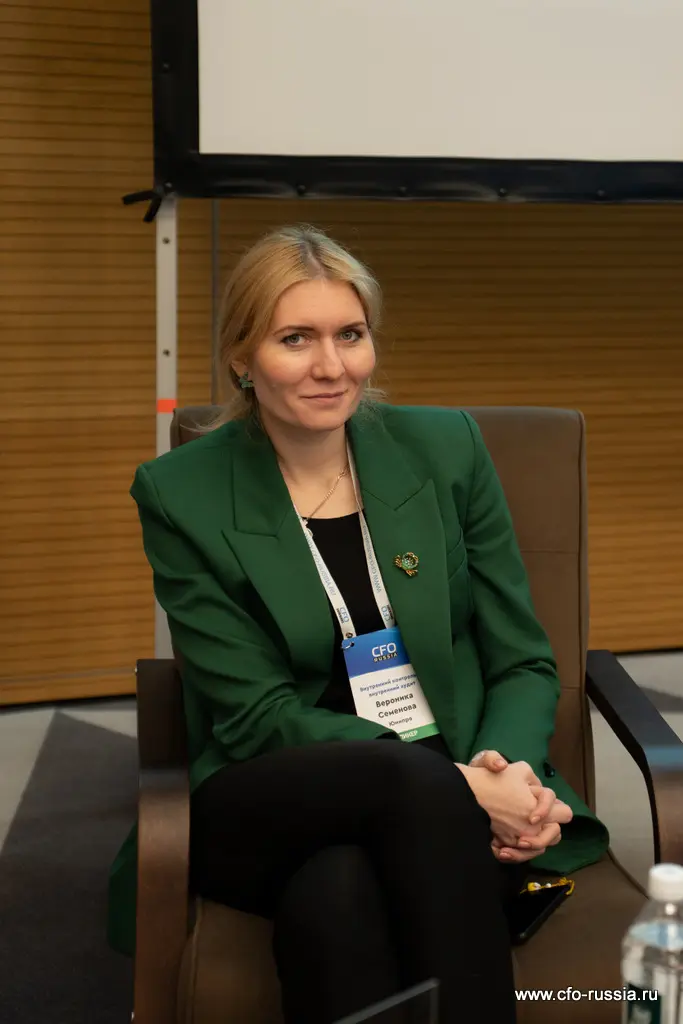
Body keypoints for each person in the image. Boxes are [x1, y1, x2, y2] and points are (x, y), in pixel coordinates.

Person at [107, 224, 609, 1023]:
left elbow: (521, 657)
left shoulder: (445, 450)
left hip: (449, 782)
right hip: (271, 787)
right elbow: (256, 714)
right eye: (295, 338)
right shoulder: (180, 493)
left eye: (350, 334)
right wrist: (469, 792)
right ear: (240, 356)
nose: (331, 365)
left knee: (335, 896)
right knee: (404, 782)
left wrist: (506, 769)